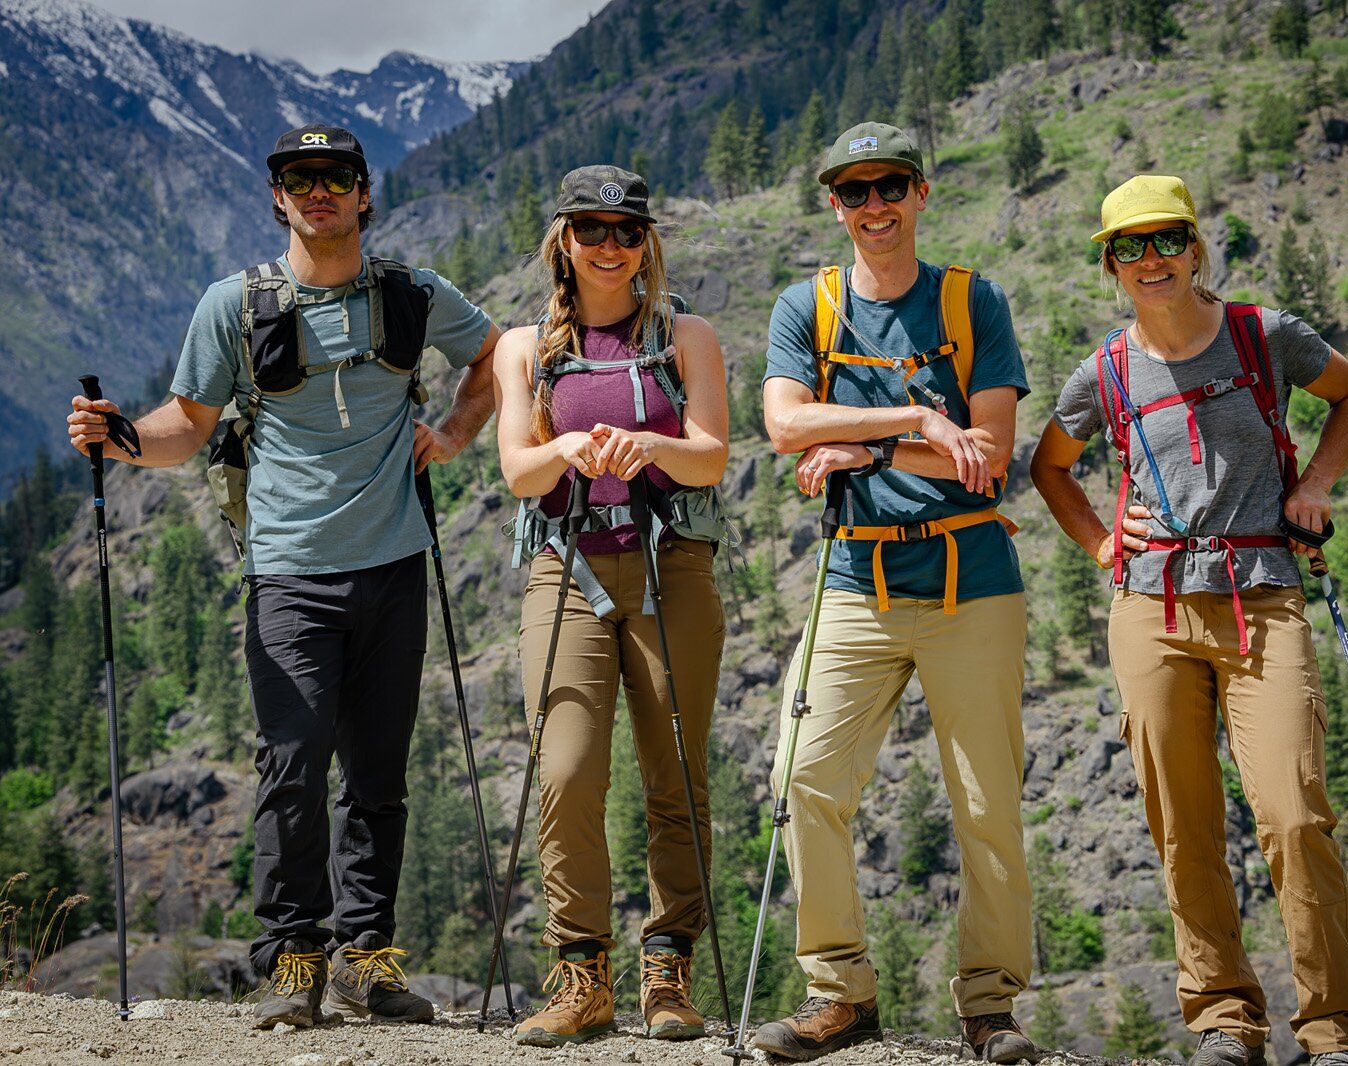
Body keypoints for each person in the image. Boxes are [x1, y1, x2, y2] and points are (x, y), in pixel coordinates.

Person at [65, 125, 501, 1029]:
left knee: (379, 778)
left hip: (393, 567)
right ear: (277, 196)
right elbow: (188, 422)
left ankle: (365, 962)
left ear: (363, 192)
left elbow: (493, 357)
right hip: (290, 575)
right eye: (299, 178)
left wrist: (454, 434)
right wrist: (120, 435)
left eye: (335, 176)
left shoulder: (413, 295)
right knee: (292, 770)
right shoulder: (235, 305)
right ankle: (293, 960)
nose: (318, 191)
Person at [1030, 174, 1348, 1066]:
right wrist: (1104, 540)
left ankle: (1334, 1032)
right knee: (1182, 822)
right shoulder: (1105, 370)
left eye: (1166, 240)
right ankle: (1225, 1019)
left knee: (1294, 814)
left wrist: (1316, 485)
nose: (1152, 260)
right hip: (1151, 606)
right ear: (1110, 264)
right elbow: (1050, 467)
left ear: (1195, 247)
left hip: (1262, 592)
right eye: (1130, 247)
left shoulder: (1266, 336)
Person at [753, 123, 1038, 1064]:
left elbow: (988, 460)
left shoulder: (972, 301)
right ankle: (840, 995)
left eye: (890, 186)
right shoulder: (809, 305)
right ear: (833, 204)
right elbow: (785, 424)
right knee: (804, 778)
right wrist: (919, 417)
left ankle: (990, 1009)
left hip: (972, 581)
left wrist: (870, 447)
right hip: (855, 578)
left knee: (986, 804)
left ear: (921, 193)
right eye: (853, 191)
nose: (873, 205)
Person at [490, 165, 731, 1047]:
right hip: (566, 569)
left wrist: (650, 442)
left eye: (626, 231)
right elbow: (517, 470)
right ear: (563, 240)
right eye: (590, 230)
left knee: (676, 774)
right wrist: (568, 450)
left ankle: (668, 971)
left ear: (647, 244)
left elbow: (709, 457)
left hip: (674, 563)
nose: (608, 246)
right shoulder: (526, 347)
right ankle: (580, 974)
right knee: (565, 770)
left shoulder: (685, 335)